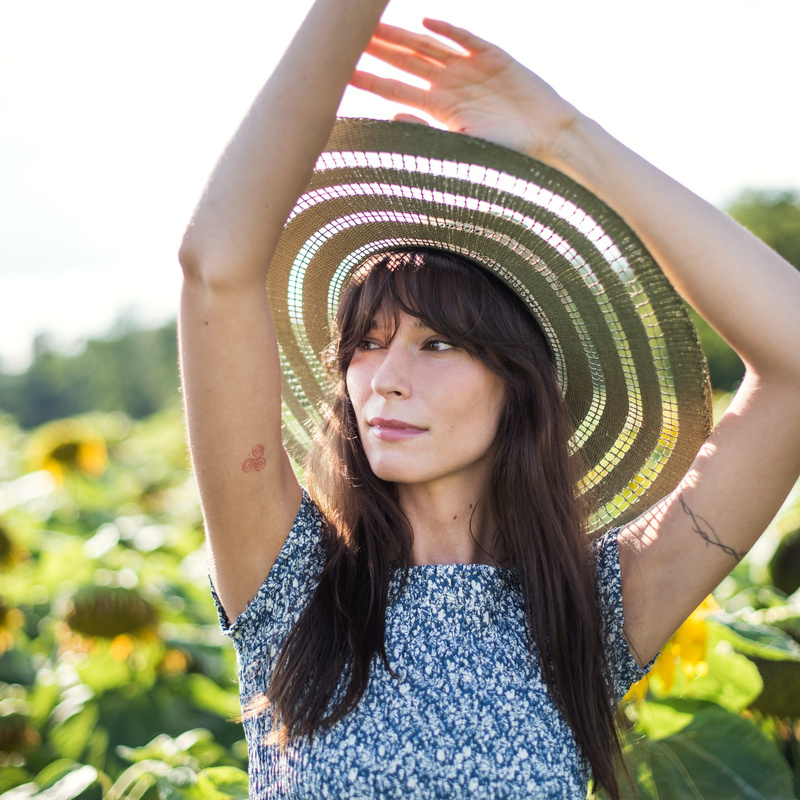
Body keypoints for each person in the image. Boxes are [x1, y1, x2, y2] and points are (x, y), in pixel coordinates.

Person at [177, 1, 800, 797]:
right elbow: (216, 266)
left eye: (438, 343)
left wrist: (566, 138)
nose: (384, 377)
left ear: (520, 383)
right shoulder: (293, 583)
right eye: (366, 342)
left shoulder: (591, 610)